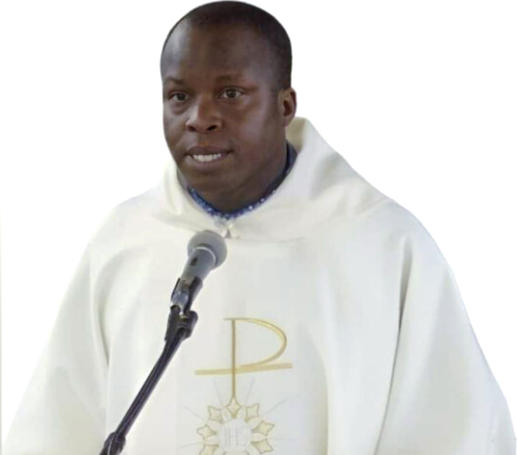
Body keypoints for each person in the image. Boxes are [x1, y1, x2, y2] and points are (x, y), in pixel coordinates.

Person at [3, 1, 515, 454]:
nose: (199, 118)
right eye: (178, 97)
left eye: (230, 93)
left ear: (284, 106)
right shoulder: (124, 243)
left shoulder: (383, 245)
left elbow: (455, 431)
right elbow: (56, 429)